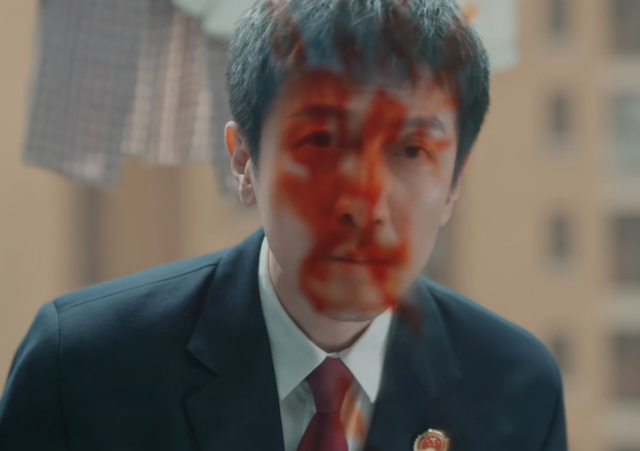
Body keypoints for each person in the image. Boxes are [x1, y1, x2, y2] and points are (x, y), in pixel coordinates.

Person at [0, 0, 567, 450]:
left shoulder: (516, 388)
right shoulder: (81, 368)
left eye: (411, 150)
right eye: (321, 141)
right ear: (243, 159)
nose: (364, 202)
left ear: (455, 182)